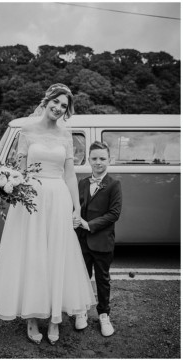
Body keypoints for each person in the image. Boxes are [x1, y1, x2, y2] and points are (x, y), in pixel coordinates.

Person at [0, 83, 96, 345]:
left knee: (57, 253)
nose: (58, 108)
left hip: (57, 197)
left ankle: (55, 317)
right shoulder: (27, 130)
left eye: (63, 106)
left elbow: (69, 173)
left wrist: (76, 207)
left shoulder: (66, 134)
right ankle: (32, 319)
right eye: (55, 103)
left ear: (66, 110)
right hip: (31, 198)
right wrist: (10, 194)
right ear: (46, 102)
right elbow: (20, 170)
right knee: (32, 254)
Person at [76, 141, 122, 337]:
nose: (98, 162)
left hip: (103, 241)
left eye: (102, 158)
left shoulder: (114, 184)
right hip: (83, 241)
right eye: (94, 158)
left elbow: (114, 213)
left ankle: (104, 315)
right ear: (88, 160)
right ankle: (81, 310)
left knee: (103, 280)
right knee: (82, 277)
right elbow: (78, 207)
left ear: (109, 160)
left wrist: (89, 224)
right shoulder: (82, 183)